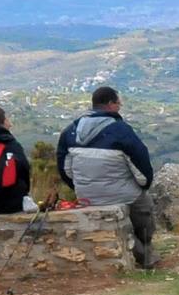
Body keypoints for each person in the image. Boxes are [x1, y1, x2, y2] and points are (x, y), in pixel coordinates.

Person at [57, 86, 157, 269]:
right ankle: (146, 254)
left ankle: (138, 253)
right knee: (145, 209)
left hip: (86, 195)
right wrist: (144, 186)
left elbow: (65, 170)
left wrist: (80, 187)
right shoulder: (121, 131)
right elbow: (142, 170)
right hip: (123, 194)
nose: (120, 106)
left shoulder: (70, 132)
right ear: (110, 104)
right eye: (118, 103)